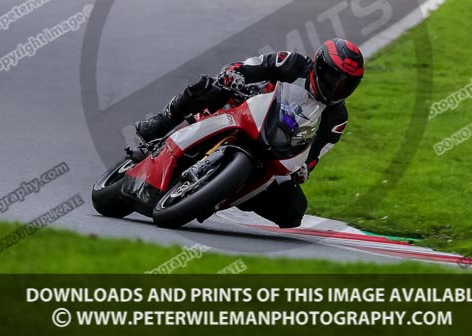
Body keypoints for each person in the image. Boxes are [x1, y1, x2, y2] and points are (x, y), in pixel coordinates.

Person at [136, 38, 365, 229]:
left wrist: (305, 169)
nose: (336, 89)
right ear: (319, 66)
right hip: (244, 107)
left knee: (294, 211)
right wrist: (236, 74)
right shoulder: (292, 64)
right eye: (333, 80)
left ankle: (227, 191)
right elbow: (253, 65)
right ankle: (162, 121)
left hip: (276, 146)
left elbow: (315, 153)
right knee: (206, 87)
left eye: (346, 86)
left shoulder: (337, 119)